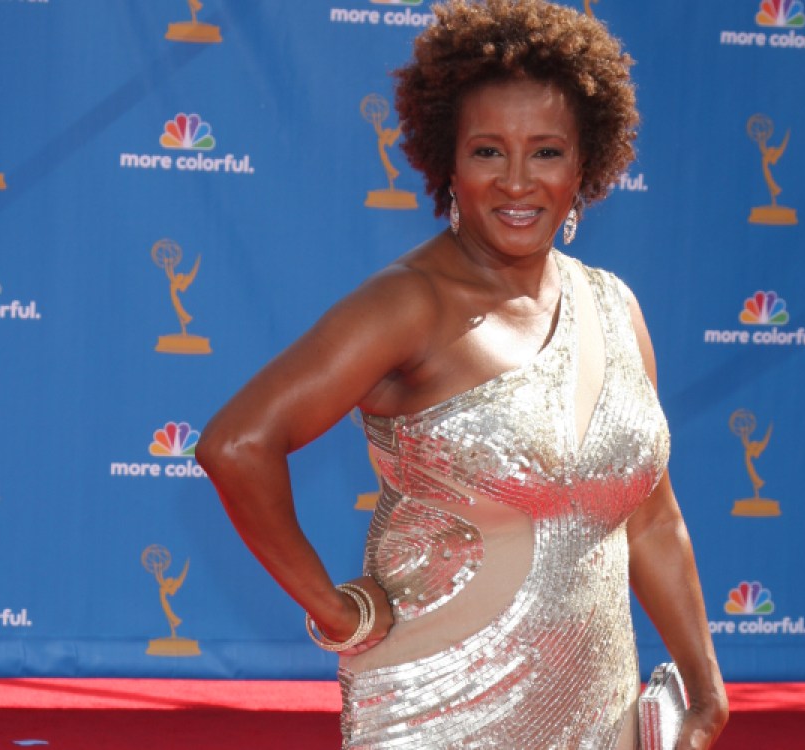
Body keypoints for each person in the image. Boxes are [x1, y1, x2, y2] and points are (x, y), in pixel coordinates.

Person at [197, 1, 728, 746]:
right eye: (488, 152)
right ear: (447, 160)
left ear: (586, 164)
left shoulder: (614, 307)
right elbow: (235, 444)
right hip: (434, 714)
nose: (518, 182)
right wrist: (335, 612)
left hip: (599, 717)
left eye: (546, 152)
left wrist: (705, 688)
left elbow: (651, 517)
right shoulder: (409, 303)